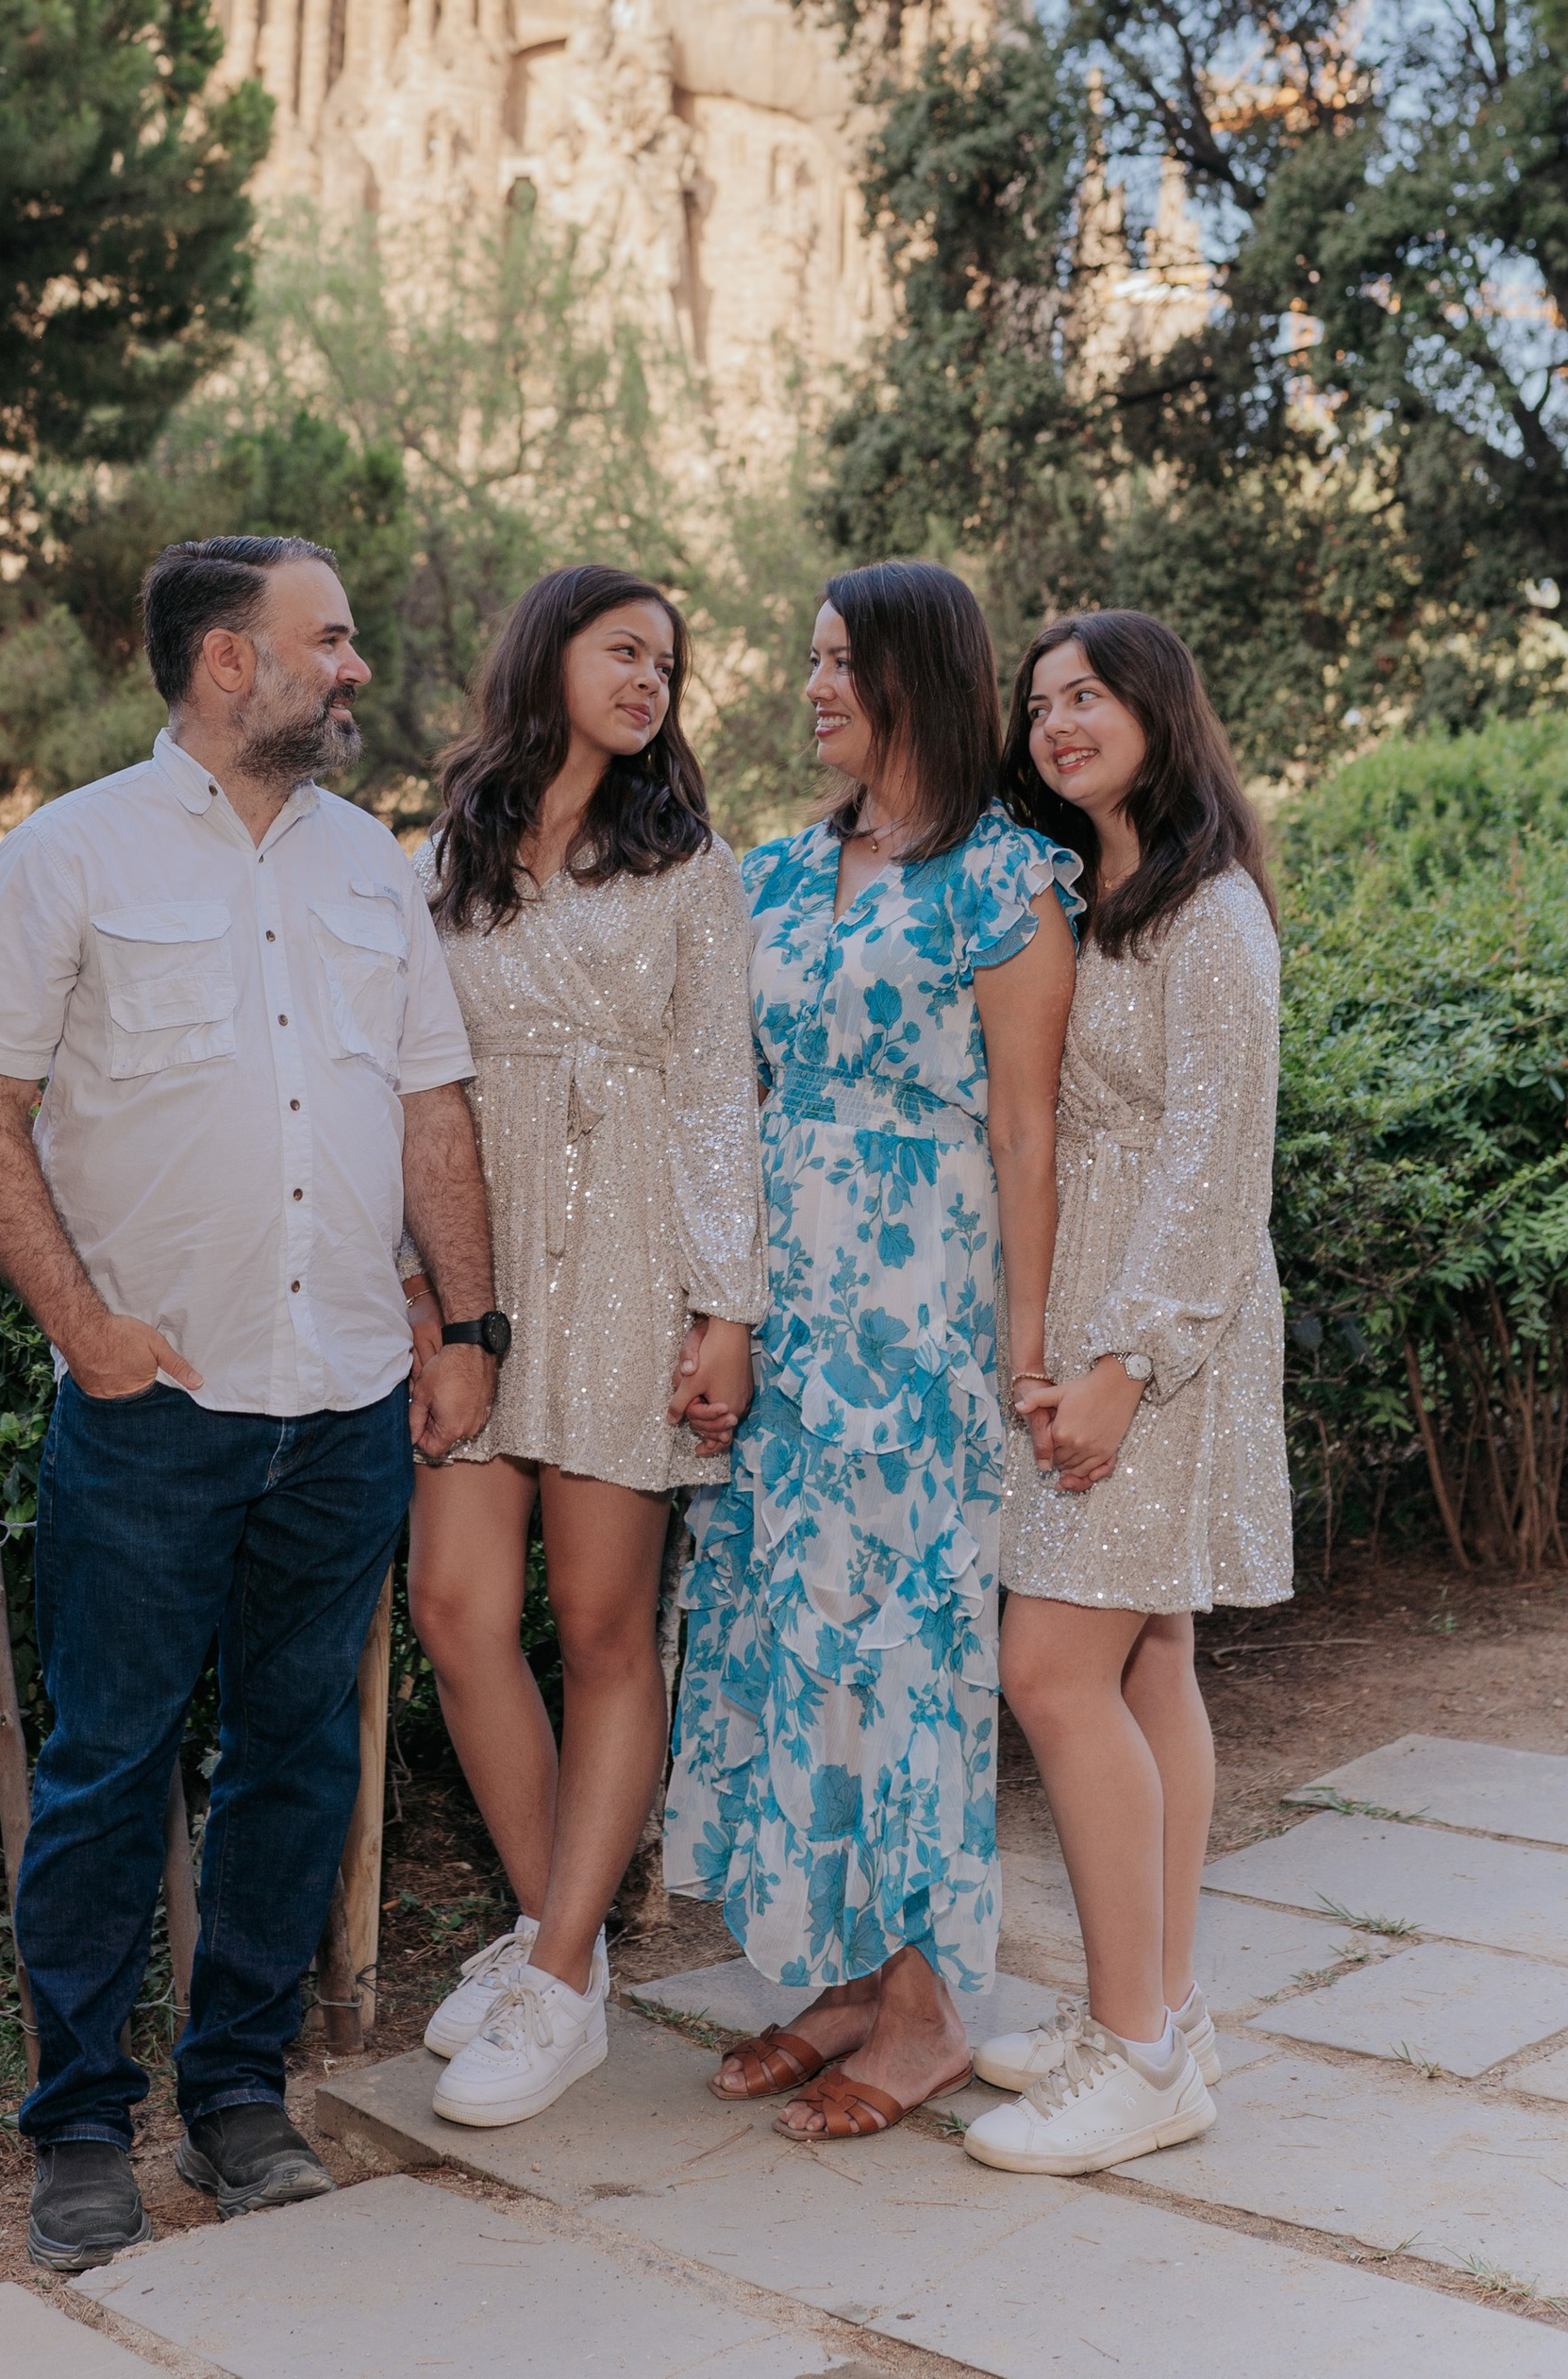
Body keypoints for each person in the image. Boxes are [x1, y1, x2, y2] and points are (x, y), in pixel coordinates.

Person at [0, 535, 504, 2276]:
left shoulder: (369, 868)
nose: (351, 669)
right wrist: (87, 1326)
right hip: (158, 1406)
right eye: (325, 642)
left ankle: (240, 2096)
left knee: (297, 1759)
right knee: (112, 1769)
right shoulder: (69, 856)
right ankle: (83, 2132)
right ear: (225, 665)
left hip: (342, 1392)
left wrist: (464, 1322)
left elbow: (430, 1105)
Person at [664, 559, 1076, 2142]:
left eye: (843, 661)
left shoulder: (1004, 879)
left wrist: (1022, 1350)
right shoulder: (768, 877)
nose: (815, 685)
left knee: (909, 1656)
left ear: (919, 673)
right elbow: (735, 1108)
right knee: (793, 1639)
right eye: (812, 659)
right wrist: (729, 1313)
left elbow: (1028, 1133)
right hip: (790, 1311)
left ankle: (924, 2010)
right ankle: (839, 1973)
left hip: (924, 1322)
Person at [404, 567, 762, 2129]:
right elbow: (403, 1082)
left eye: (670, 665)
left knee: (605, 1623)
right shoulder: (449, 856)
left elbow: (716, 1097)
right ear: (546, 650)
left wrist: (727, 1308)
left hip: (630, 1252)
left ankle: (554, 1977)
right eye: (625, 650)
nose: (651, 681)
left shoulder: (692, 868)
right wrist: (424, 1296)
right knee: (459, 1607)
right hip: (485, 1254)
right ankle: (574, 1954)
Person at [962, 608, 1289, 2177]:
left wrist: (1122, 1364)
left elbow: (1215, 1167)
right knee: (1151, 1656)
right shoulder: (1094, 895)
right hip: (1097, 1313)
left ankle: (1143, 2058)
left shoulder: (1214, 915)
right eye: (1039, 706)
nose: (1057, 723)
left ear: (1161, 705)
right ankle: (1153, 2005)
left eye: (1087, 695)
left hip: (1163, 1332)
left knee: (1053, 1668)